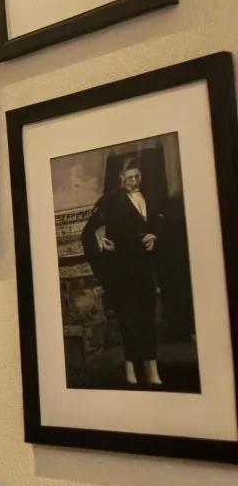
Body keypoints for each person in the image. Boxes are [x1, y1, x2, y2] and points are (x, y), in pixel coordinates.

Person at [82, 158, 163, 387]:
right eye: (129, 178)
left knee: (148, 317)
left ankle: (152, 368)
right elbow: (89, 233)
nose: (134, 181)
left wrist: (155, 236)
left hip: (146, 269)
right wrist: (101, 244)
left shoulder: (150, 199)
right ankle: (130, 367)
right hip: (122, 271)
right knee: (129, 319)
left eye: (137, 176)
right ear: (120, 178)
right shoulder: (110, 202)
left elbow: (158, 226)